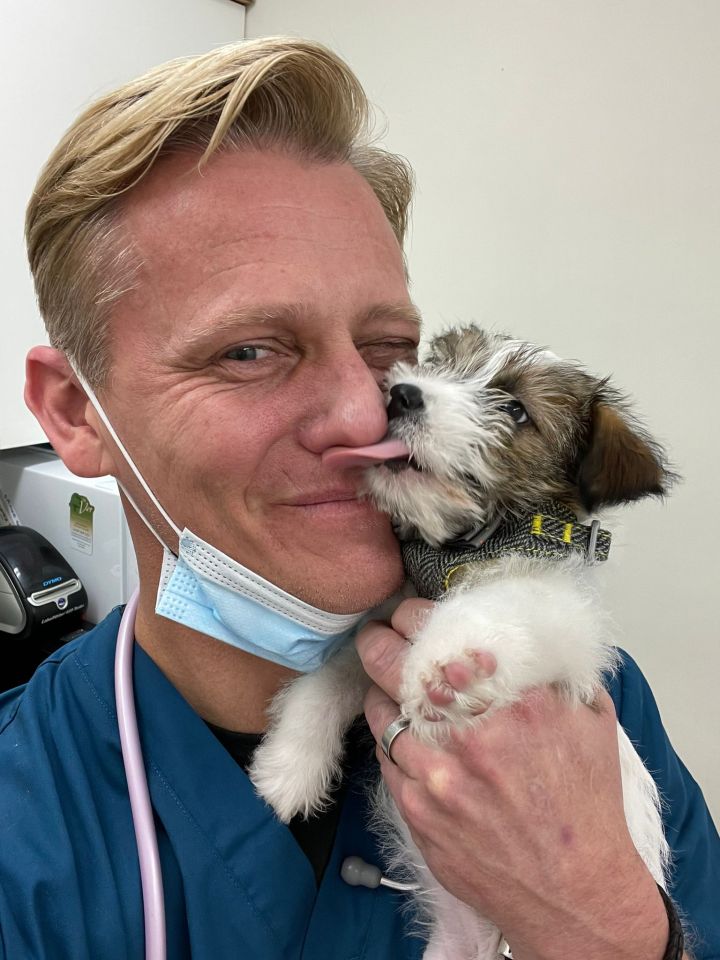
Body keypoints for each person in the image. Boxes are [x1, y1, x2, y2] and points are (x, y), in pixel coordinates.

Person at [1, 36, 717, 960]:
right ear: (75, 412)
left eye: (386, 347)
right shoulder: (27, 828)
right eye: (249, 350)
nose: (365, 409)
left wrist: (601, 924)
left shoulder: (587, 708)